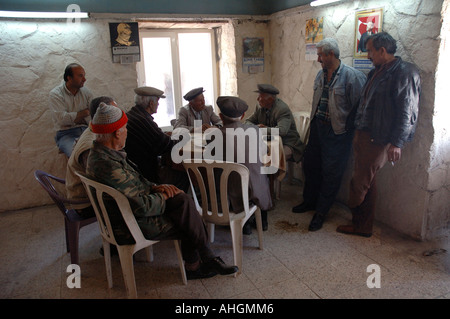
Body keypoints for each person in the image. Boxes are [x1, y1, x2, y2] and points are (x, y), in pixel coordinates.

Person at [86, 102, 238, 279]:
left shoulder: (102, 154)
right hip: (130, 223)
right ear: (117, 133)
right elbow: (141, 207)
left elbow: (135, 182)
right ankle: (199, 264)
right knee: (188, 215)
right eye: (125, 128)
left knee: (183, 200)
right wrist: (163, 195)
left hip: (127, 213)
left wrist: (155, 187)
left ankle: (202, 261)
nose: (127, 131)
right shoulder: (109, 166)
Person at [336, 32, 421, 238]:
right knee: (367, 180)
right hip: (365, 133)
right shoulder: (378, 71)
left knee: (360, 182)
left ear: (382, 51)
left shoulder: (404, 72)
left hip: (378, 137)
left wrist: (397, 143)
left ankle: (361, 226)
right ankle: (362, 224)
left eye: (370, 51)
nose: (368, 56)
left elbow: (406, 110)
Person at [292, 38, 366, 232]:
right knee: (310, 165)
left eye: (320, 55)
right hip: (318, 127)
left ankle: (321, 212)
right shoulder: (320, 74)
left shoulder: (352, 77)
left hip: (337, 131)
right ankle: (309, 201)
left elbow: (360, 108)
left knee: (331, 172)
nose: (318, 59)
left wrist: (353, 132)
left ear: (330, 54)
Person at [212, 96, 273, 233]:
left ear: (221, 116)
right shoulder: (255, 131)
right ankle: (262, 220)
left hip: (232, 190)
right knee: (260, 174)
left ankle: (243, 222)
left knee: (223, 175)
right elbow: (264, 151)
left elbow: (211, 160)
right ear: (244, 115)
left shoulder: (216, 135)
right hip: (256, 187)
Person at [125, 86, 189, 192]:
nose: (158, 104)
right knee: (185, 175)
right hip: (146, 173)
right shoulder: (143, 120)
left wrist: (164, 135)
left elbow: (154, 137)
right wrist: (183, 137)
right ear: (151, 103)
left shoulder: (132, 115)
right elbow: (166, 145)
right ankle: (172, 203)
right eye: (157, 101)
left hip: (135, 168)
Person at [66, 96, 117, 218]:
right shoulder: (90, 146)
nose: (118, 116)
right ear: (103, 116)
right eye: (114, 113)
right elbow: (100, 183)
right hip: (84, 203)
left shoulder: (93, 129)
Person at [245, 84, 303, 163]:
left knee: (272, 158)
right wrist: (256, 127)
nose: (257, 99)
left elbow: (282, 131)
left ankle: (280, 175)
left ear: (270, 100)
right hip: (269, 142)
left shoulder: (282, 109)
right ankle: (264, 175)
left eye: (260, 97)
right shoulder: (259, 107)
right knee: (252, 154)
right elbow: (247, 121)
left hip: (287, 143)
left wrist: (263, 129)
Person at [49, 63, 93, 157]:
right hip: (66, 134)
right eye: (80, 76)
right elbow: (62, 120)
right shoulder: (56, 94)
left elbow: (93, 115)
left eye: (84, 76)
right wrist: (85, 112)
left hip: (87, 131)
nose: (84, 79)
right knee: (78, 156)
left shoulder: (86, 92)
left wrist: (73, 117)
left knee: (102, 152)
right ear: (69, 78)